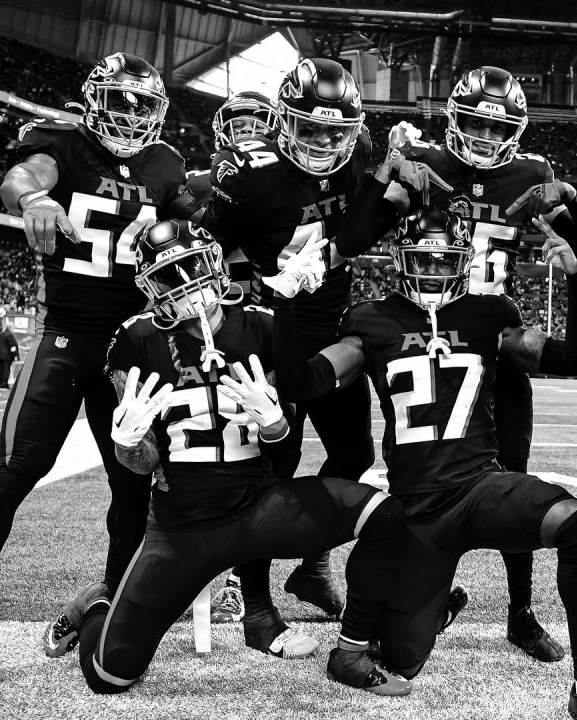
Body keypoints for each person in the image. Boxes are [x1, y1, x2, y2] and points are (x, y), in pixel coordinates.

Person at [284, 208, 577, 720]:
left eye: (444, 260)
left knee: (575, 524)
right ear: (401, 259)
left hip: (479, 487)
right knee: (402, 659)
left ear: (463, 262)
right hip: (416, 510)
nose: (431, 271)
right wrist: (291, 304)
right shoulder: (370, 319)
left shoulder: (489, 314)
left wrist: (576, 280)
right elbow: (307, 381)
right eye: (421, 259)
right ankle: (427, 609)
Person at [54, 220, 409, 696]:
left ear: (216, 264)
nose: (189, 287)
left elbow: (284, 451)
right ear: (152, 288)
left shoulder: (262, 325)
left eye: (194, 267)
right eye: (171, 277)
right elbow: (142, 464)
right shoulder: (135, 339)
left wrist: (276, 424)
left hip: (258, 507)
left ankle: (351, 651)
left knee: (384, 515)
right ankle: (96, 605)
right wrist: (127, 442)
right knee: (109, 677)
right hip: (182, 527)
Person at [0, 52, 194, 677]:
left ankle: (110, 608)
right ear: (92, 100)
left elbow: (187, 221)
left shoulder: (165, 164)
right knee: (15, 470)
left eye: (141, 105)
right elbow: (22, 177)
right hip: (67, 338)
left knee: (135, 487)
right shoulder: (62, 144)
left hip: (130, 351)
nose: (129, 117)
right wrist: (35, 199)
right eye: (118, 102)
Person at [336, 65, 577, 663]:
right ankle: (425, 588)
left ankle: (520, 613)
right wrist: (386, 180)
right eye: (476, 125)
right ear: (454, 121)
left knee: (512, 472)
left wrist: (573, 201)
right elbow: (355, 238)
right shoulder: (424, 161)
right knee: (423, 473)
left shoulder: (533, 176)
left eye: (498, 128)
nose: (486, 139)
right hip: (427, 332)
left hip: (496, 340)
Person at [196, 59, 378, 620]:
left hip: (335, 329)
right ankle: (251, 597)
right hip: (272, 333)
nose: (324, 142)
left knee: (353, 455)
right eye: (312, 127)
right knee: (274, 461)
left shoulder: (361, 154)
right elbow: (209, 252)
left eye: (335, 131)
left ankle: (313, 565)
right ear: (284, 120)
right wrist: (254, 299)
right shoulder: (251, 173)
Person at [183, 89, 282, 624]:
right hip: (210, 341)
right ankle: (198, 575)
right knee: (207, 465)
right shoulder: (202, 183)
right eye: (237, 122)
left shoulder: (289, 183)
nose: (247, 130)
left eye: (256, 121)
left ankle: (249, 584)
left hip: (266, 337)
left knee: (267, 466)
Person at [0, 316, 19, 391]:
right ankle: (3, 384)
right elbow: (12, 346)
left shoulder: (0, 335)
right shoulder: (9, 335)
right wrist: (15, 355)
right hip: (6, 356)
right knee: (5, 370)